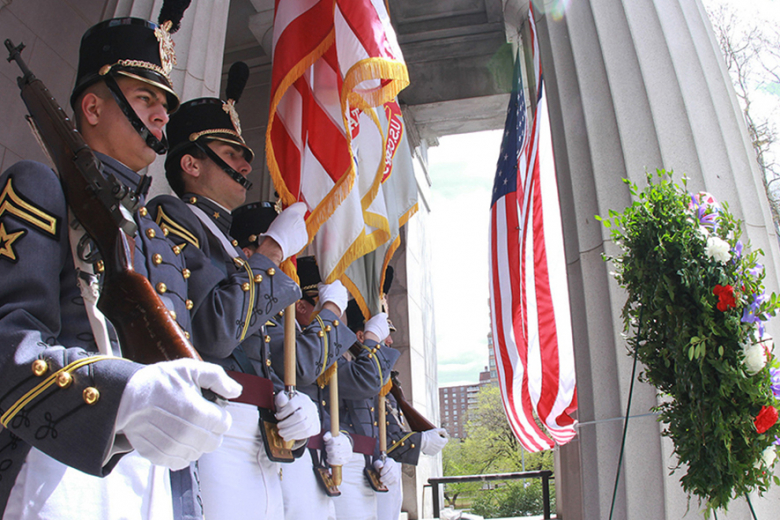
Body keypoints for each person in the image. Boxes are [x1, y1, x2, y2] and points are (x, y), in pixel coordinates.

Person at [0, 8, 242, 520]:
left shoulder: (154, 235)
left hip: (155, 475)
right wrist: (123, 394)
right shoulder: (40, 187)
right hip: (63, 460)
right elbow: (9, 344)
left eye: (164, 104)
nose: (161, 116)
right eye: (144, 98)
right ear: (91, 106)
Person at [147, 65, 320, 520]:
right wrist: (270, 249)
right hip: (215, 425)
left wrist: (291, 401)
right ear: (191, 163)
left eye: (245, 155)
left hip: (262, 434)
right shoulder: (175, 216)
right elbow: (214, 331)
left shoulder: (224, 239)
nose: (247, 165)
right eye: (231, 153)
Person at [333, 300, 401, 520]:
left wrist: (385, 455)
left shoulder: (384, 378)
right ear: (361, 336)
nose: (390, 340)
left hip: (373, 467)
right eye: (383, 333)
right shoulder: (347, 368)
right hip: (347, 467)